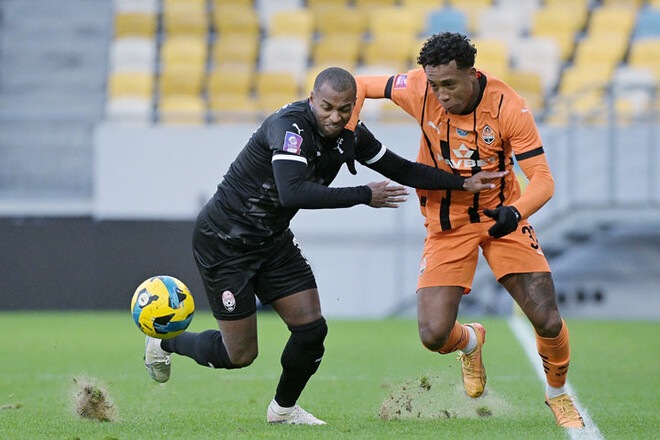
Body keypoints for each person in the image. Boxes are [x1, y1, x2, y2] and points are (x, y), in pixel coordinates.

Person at [142, 67, 506, 425]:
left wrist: (462, 183)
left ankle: (283, 411)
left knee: (312, 329)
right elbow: (292, 191)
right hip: (225, 241)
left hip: (272, 241)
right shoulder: (289, 129)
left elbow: (403, 169)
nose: (335, 117)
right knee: (239, 354)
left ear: (354, 106)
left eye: (345, 109)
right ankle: (166, 344)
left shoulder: (350, 134)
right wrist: (364, 194)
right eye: (327, 107)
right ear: (312, 99)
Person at [349, 33, 584, 428]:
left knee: (545, 317)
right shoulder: (419, 86)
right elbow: (357, 84)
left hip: (501, 218)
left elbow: (543, 180)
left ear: (472, 74)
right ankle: (472, 341)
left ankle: (558, 395)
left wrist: (516, 211)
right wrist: (347, 130)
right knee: (433, 334)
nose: (440, 94)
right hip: (446, 222)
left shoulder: (509, 107)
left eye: (450, 85)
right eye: (435, 84)